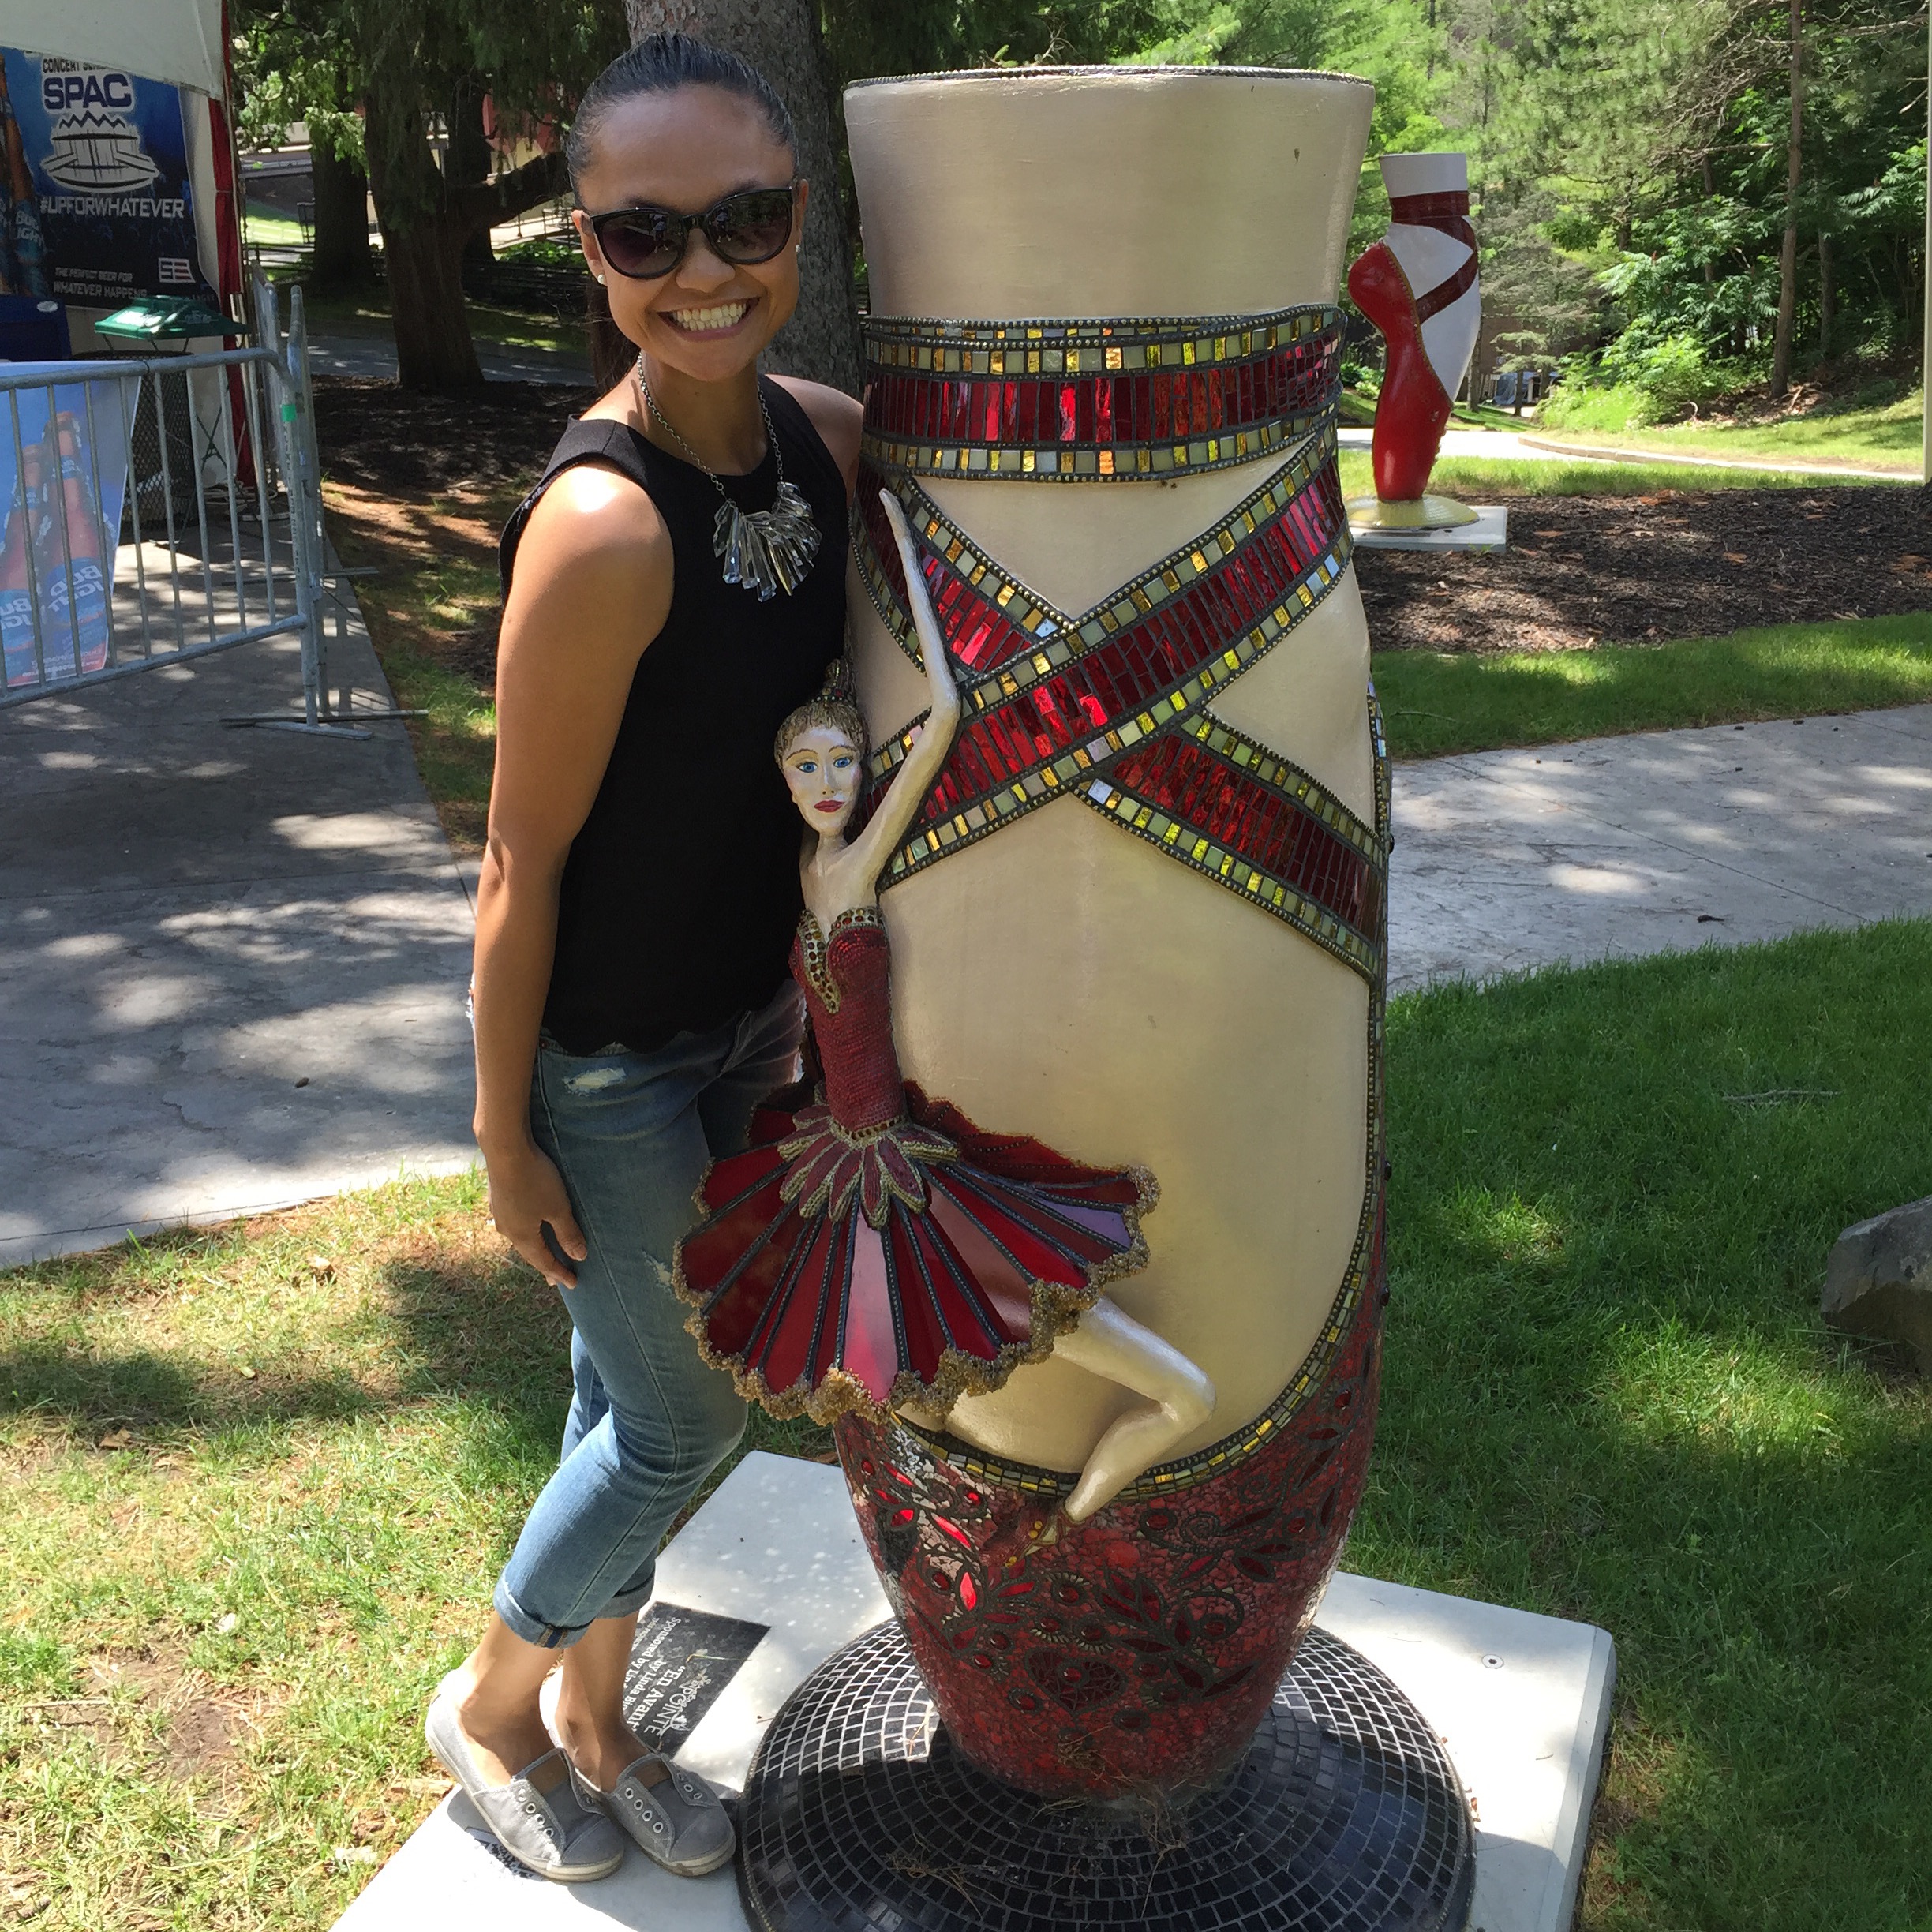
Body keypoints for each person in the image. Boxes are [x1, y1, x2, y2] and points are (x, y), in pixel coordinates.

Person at [423, 33, 860, 1885]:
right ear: (589, 248)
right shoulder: (602, 528)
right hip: (605, 1061)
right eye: (643, 234)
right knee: (689, 1416)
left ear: (799, 217)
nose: (702, 270)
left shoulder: (824, 440)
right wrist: (502, 1128)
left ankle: (603, 1725)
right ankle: (494, 1709)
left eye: (744, 219)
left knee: (625, 1404)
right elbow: (516, 860)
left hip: (748, 1022)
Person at [676, 497, 1214, 1528]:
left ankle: (1073, 1505)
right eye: (806, 768)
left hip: (897, 1163)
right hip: (839, 1160)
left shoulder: (853, 867)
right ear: (781, 780)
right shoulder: (808, 868)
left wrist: (902, 558)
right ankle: (1000, 1524)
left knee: (992, 1326)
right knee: (897, 1370)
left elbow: (946, 720)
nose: (828, 783)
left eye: (842, 763)